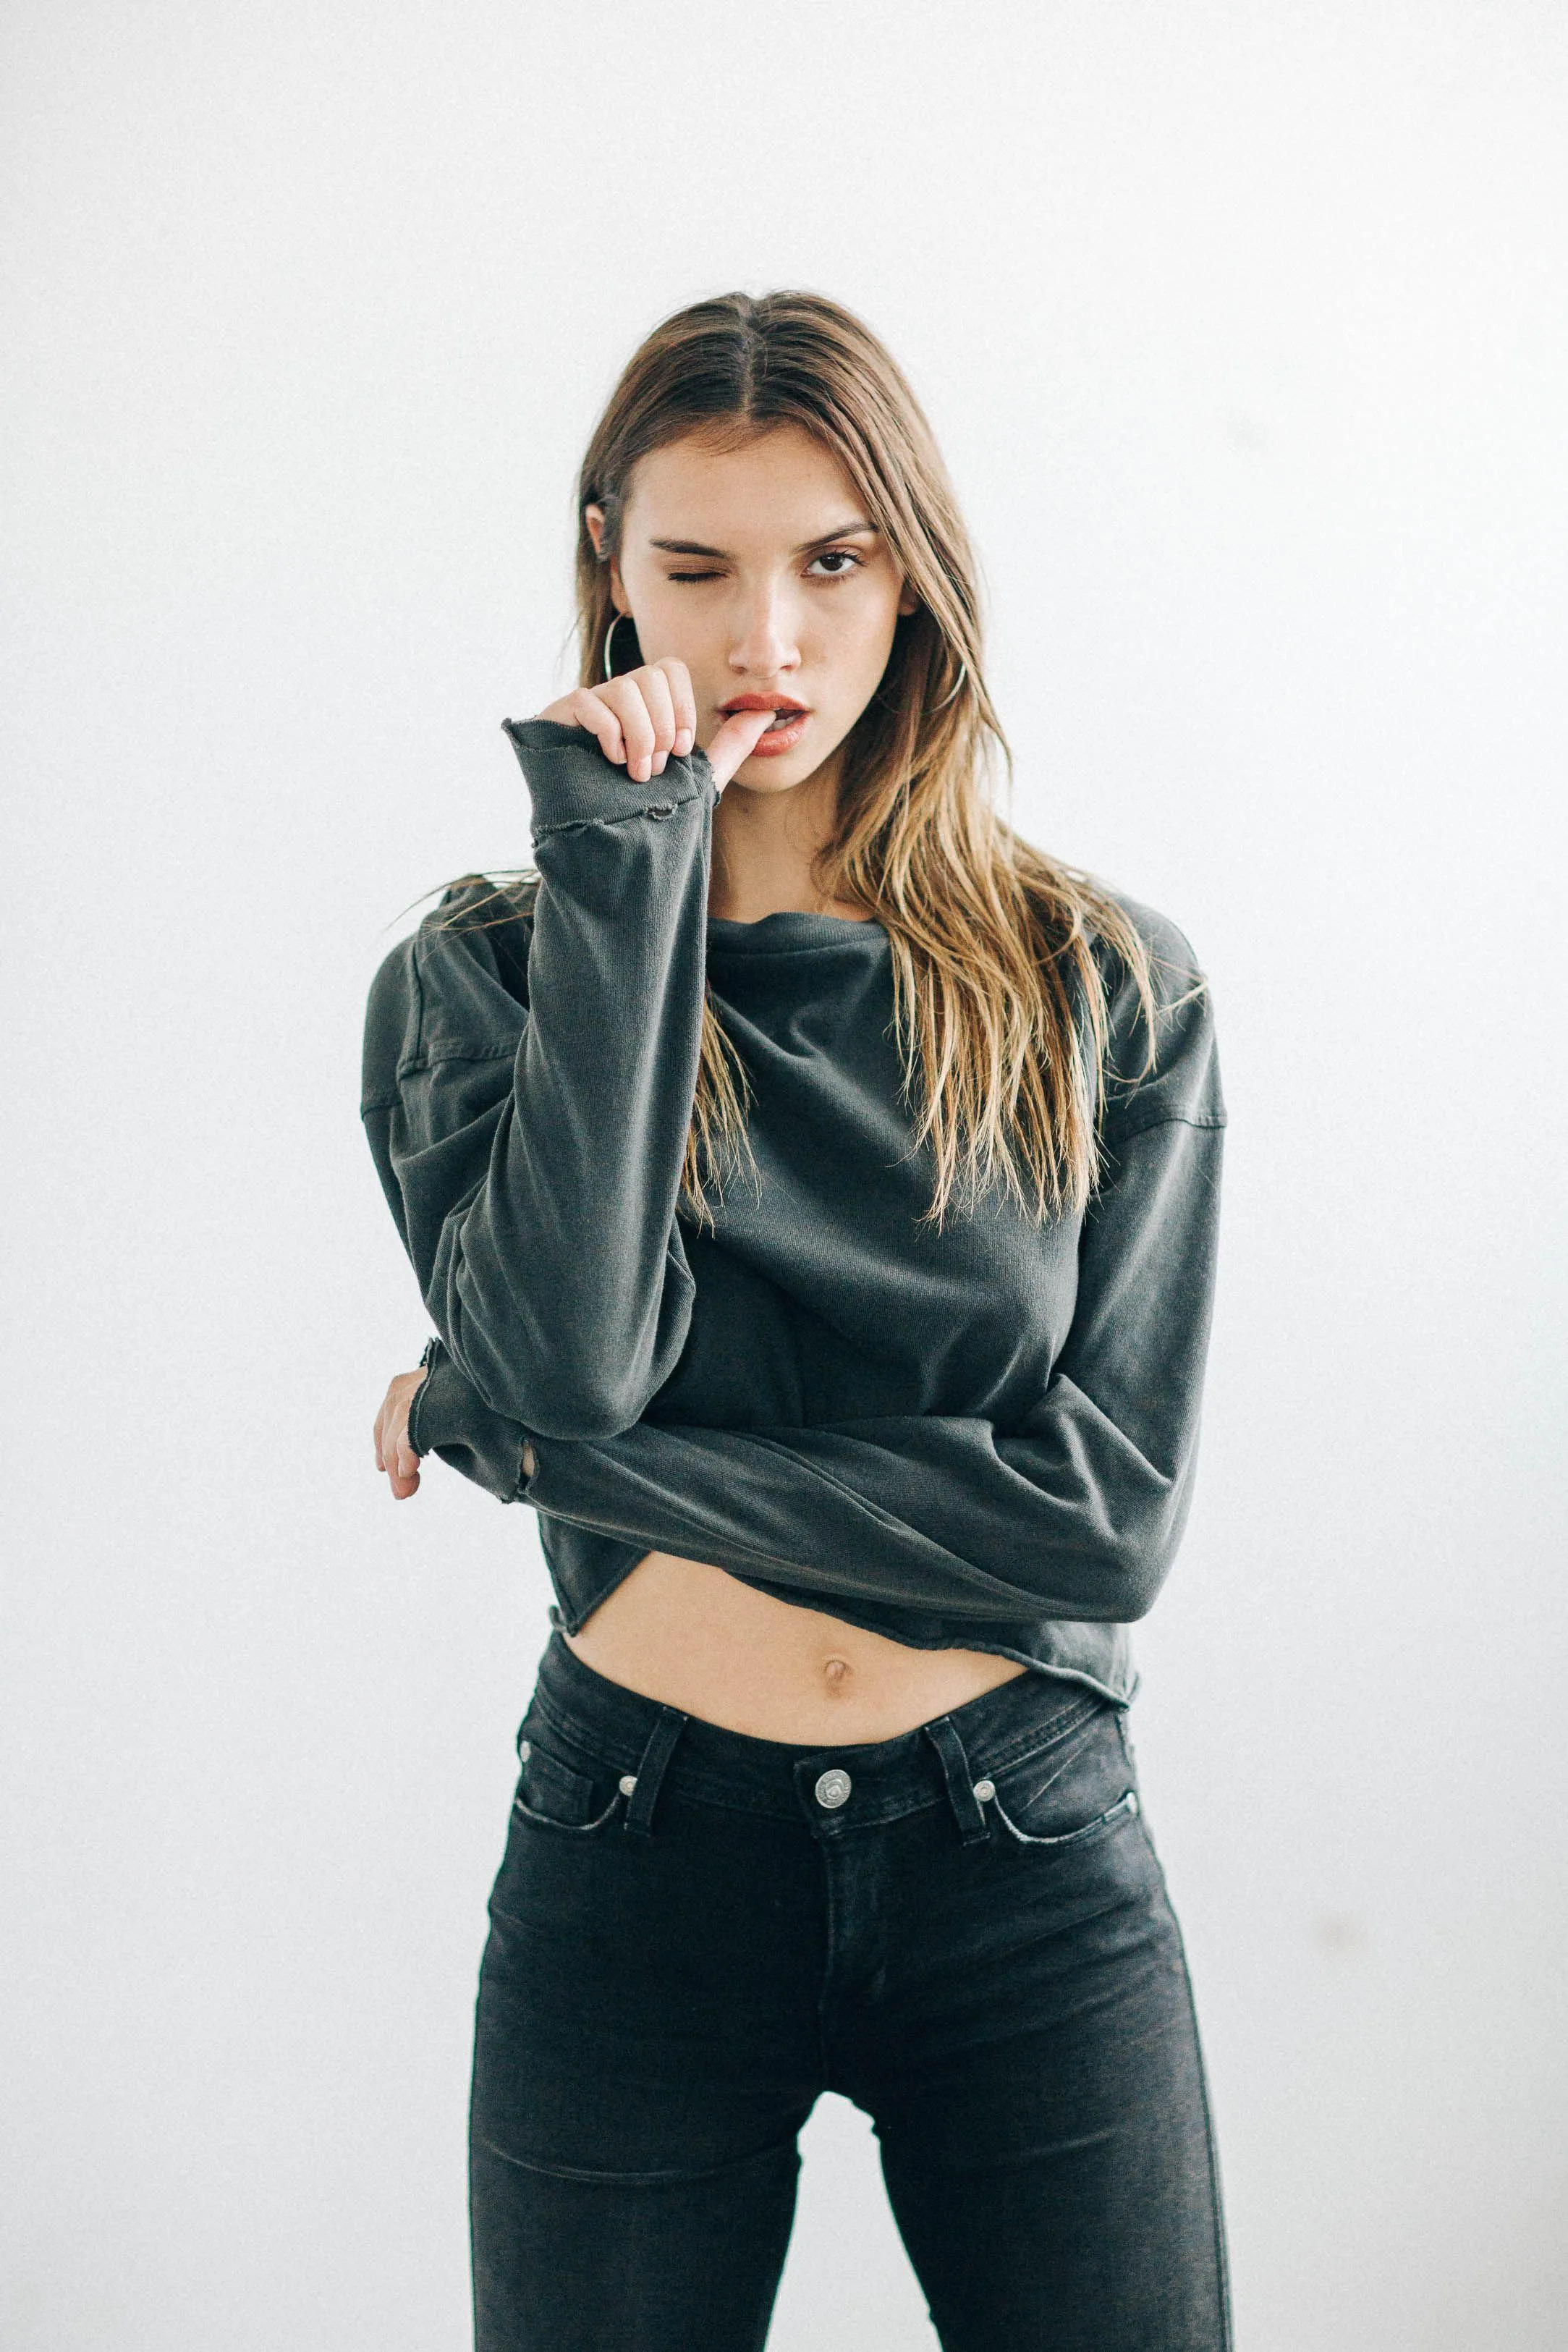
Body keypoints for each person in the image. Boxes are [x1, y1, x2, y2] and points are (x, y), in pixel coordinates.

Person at [360, 289, 1232, 2352]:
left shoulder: (1096, 980)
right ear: (606, 563)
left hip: (1019, 1846)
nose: (767, 641)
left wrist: (525, 1445)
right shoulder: (478, 984)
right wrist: (620, 863)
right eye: (698, 568)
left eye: (833, 561)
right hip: (636, 1850)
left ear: (910, 574)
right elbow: (572, 1353)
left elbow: (1098, 1527)